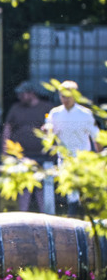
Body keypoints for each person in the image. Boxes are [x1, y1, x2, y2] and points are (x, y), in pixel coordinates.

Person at [43, 80, 102, 216]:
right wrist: (47, 132)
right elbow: (49, 133)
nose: (65, 99)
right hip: (64, 158)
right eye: (62, 96)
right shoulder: (55, 113)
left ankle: (78, 217)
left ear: (75, 95)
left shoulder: (85, 114)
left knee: (82, 191)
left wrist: (99, 160)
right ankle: (74, 218)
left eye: (68, 96)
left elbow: (96, 138)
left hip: (83, 159)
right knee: (71, 191)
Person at [1, 80, 54, 212]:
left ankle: (46, 215)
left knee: (42, 187)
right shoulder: (15, 108)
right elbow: (8, 128)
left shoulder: (46, 108)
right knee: (24, 187)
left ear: (31, 93)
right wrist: (5, 150)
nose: (20, 97)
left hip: (43, 155)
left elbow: (53, 129)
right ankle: (22, 215)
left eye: (22, 94)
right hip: (22, 156)